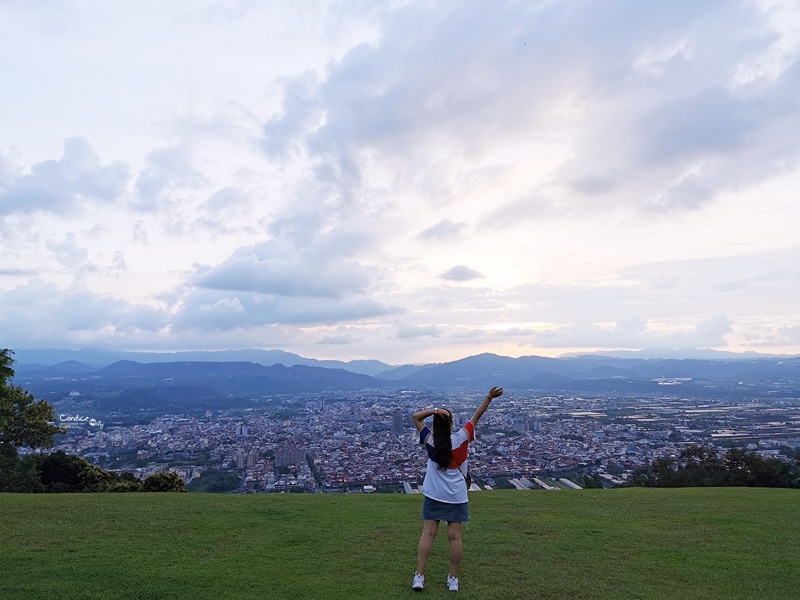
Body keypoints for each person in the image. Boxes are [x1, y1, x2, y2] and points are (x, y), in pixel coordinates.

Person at [411, 386, 504, 592]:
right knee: (455, 537)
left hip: (434, 493)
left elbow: (416, 417)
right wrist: (489, 397)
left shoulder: (430, 440)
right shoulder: (461, 437)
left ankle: (419, 576)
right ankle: (453, 579)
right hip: (456, 496)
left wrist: (435, 411)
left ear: (435, 425)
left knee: (428, 534)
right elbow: (477, 415)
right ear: (452, 423)